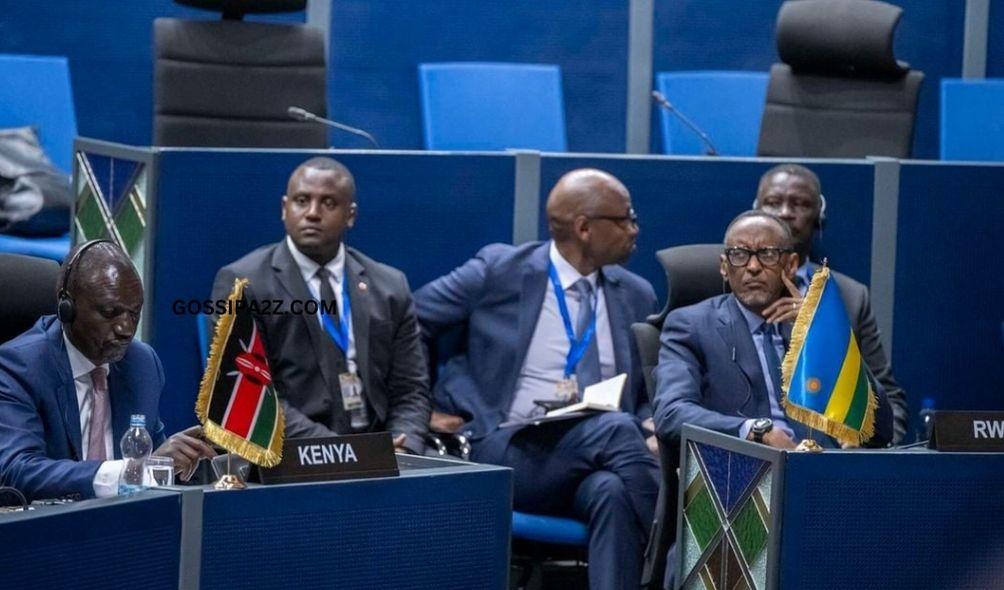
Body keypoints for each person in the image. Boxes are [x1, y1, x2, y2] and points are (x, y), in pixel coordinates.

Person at [414, 168, 659, 590]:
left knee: (612, 493)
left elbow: (644, 389)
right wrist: (420, 409)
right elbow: (407, 321)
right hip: (509, 446)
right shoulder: (499, 271)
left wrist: (651, 420)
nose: (635, 230)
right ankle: (674, 550)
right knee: (619, 430)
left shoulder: (636, 293)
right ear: (584, 227)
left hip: (598, 458)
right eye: (625, 219)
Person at [211, 157, 430, 453]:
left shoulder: (389, 285)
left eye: (328, 203)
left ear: (350, 215)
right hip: (289, 453)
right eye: (302, 201)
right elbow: (251, 394)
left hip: (383, 452)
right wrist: (341, 452)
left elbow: (410, 389)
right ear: (284, 209)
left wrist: (404, 447)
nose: (312, 213)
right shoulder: (244, 282)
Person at [652, 210, 894, 449]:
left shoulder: (817, 329)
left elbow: (880, 429)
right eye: (739, 254)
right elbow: (671, 413)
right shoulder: (691, 326)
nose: (753, 266)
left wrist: (825, 333)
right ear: (724, 267)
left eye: (767, 254)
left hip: (823, 470)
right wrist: (756, 431)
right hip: (746, 474)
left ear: (790, 266)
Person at [0, 240, 216, 501]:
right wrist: (138, 470)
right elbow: (17, 471)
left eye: (133, 314)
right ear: (66, 307)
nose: (125, 329)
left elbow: (149, 458)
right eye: (109, 312)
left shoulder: (142, 364)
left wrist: (177, 459)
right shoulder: (19, 366)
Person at [754, 163, 908, 443]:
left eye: (800, 204)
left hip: (830, 455)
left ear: (819, 216)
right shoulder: (727, 288)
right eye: (773, 202)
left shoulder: (849, 296)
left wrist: (877, 452)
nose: (786, 212)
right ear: (755, 212)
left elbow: (889, 398)